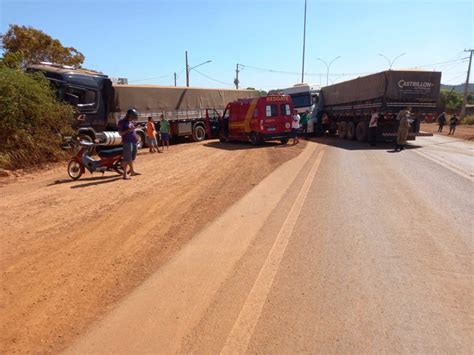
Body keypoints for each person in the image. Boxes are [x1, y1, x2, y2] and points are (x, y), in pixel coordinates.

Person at [118, 108, 140, 180]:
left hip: (133, 142)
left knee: (132, 158)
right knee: (127, 158)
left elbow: (133, 131)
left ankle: (132, 171)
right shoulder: (122, 122)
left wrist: (136, 137)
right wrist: (128, 130)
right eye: (132, 117)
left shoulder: (130, 122)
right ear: (129, 115)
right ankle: (124, 174)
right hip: (127, 142)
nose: (132, 119)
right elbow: (120, 133)